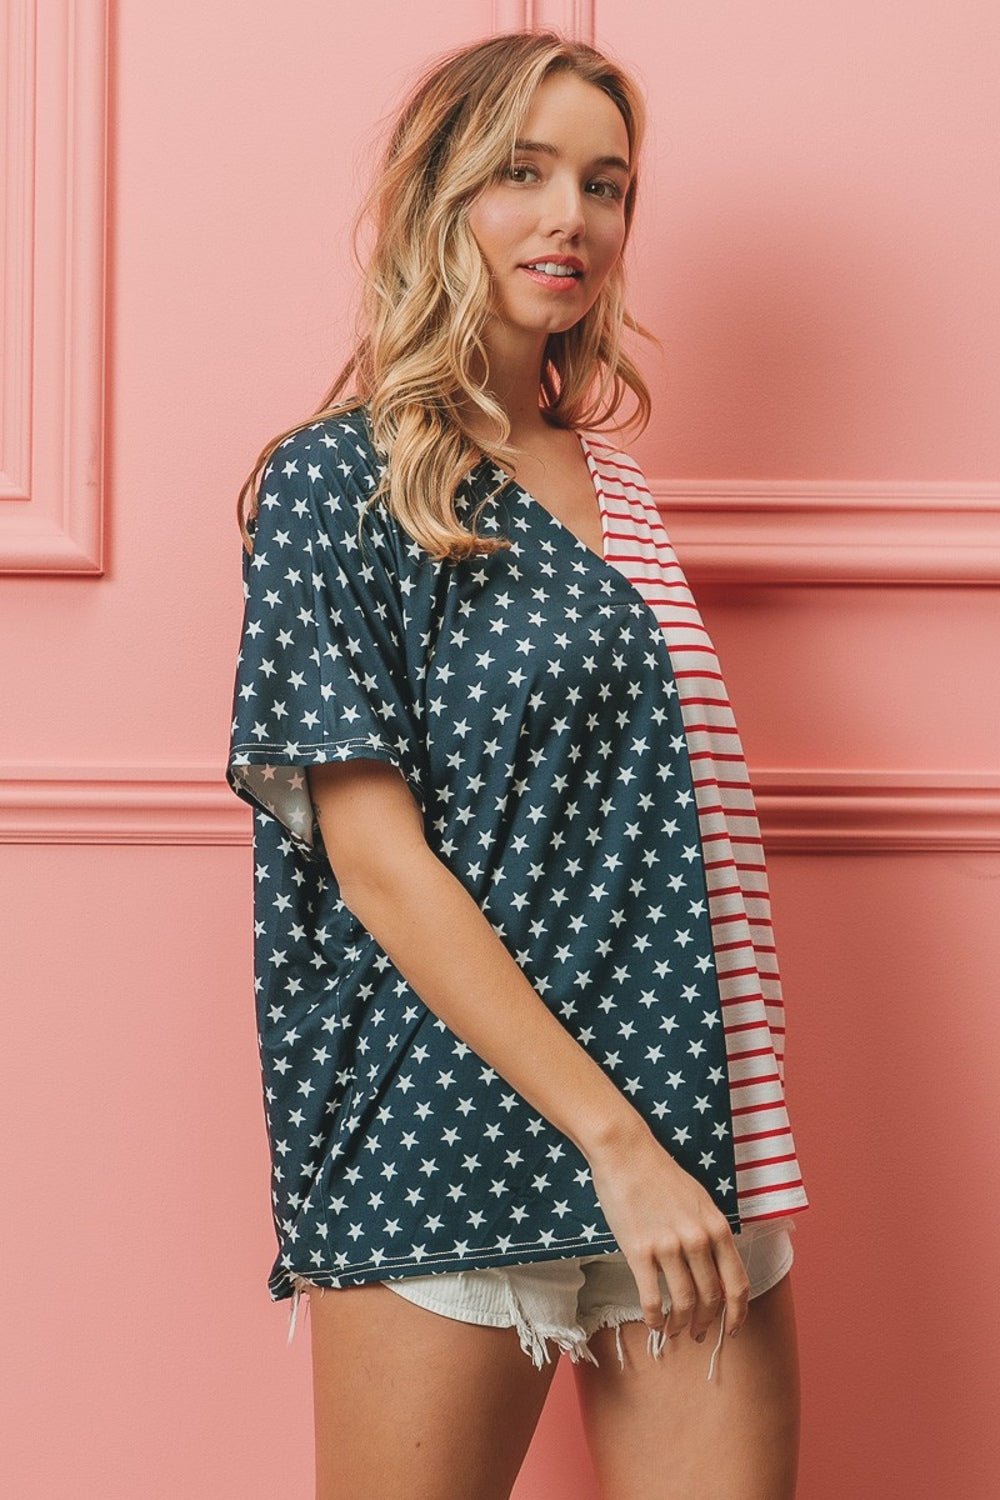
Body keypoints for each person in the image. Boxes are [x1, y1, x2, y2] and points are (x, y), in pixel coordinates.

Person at [228, 29, 808, 1500]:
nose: (574, 219)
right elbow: (376, 862)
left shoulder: (616, 481)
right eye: (523, 173)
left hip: (689, 1126)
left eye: (605, 184)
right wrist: (610, 1140)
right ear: (440, 199)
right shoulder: (332, 483)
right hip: (448, 1138)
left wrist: (676, 1143)